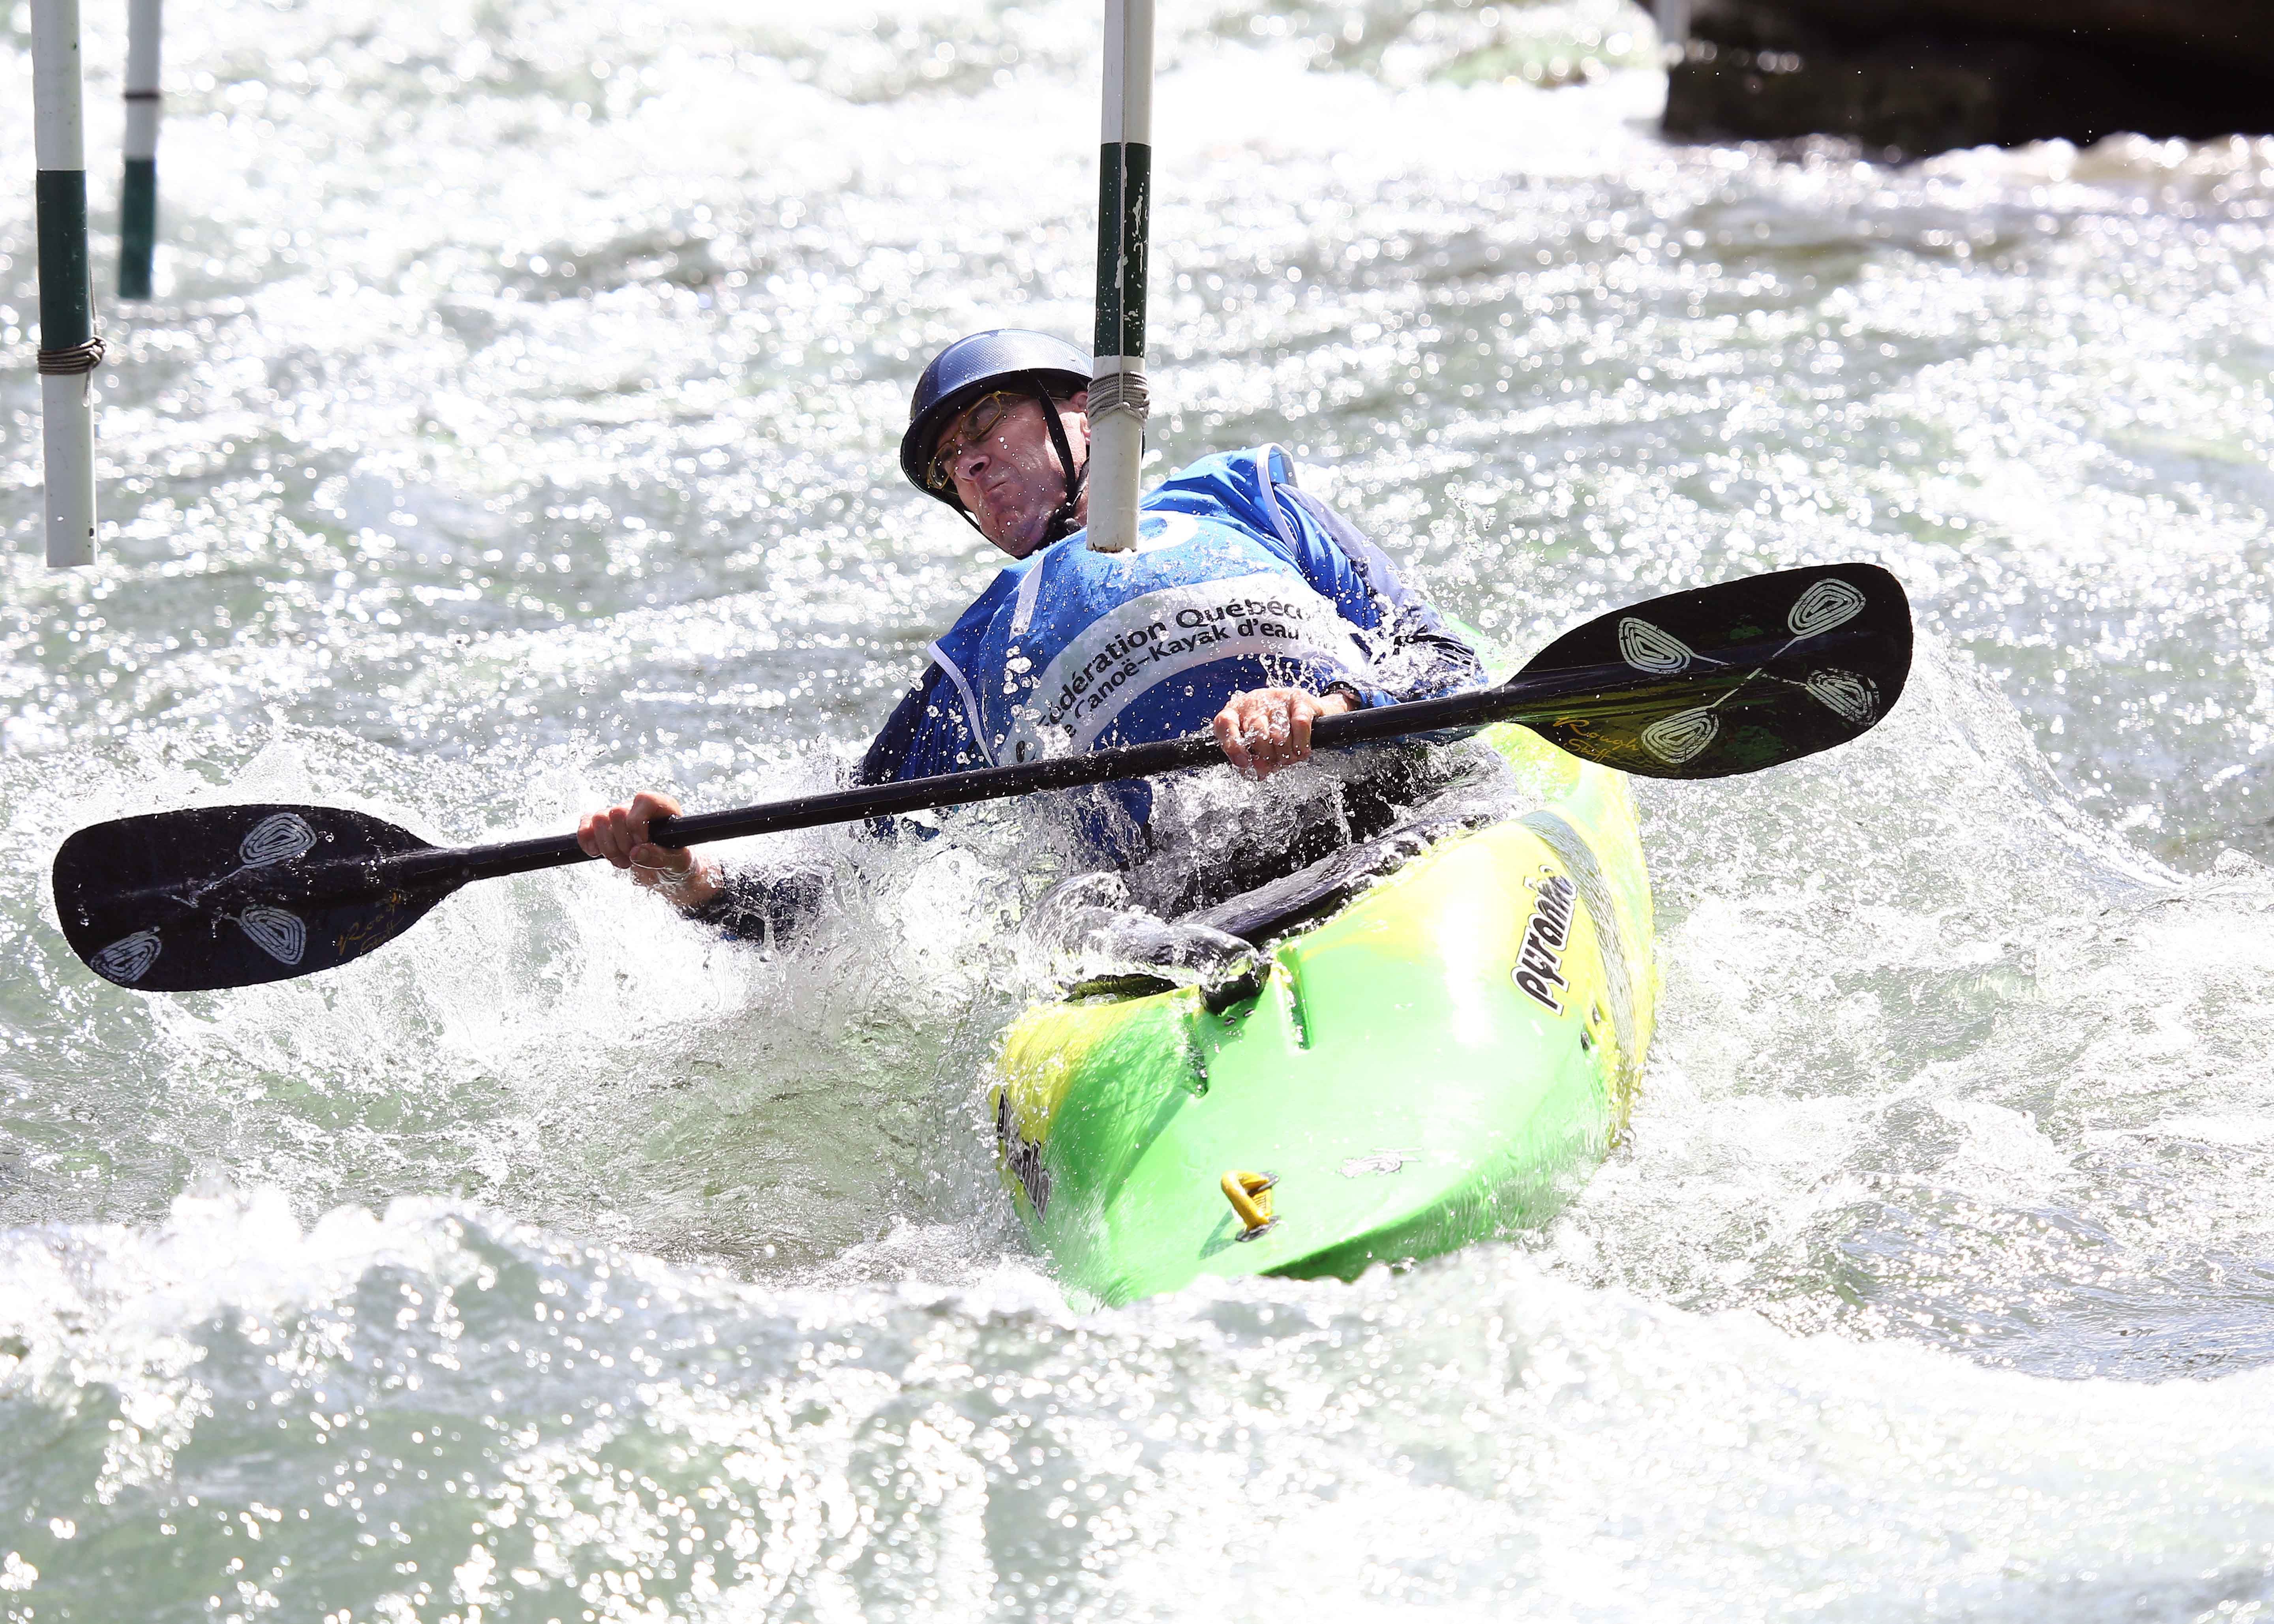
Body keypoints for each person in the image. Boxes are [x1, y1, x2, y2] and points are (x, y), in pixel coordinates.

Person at [578, 329, 1486, 943]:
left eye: (985, 422)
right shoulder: (977, 656)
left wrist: (1332, 705)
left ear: (1089, 413)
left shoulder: (1246, 495)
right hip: (1196, 929)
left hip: (1407, 825)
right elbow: (830, 902)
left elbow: (1451, 672)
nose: (967, 464)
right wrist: (688, 876)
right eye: (948, 469)